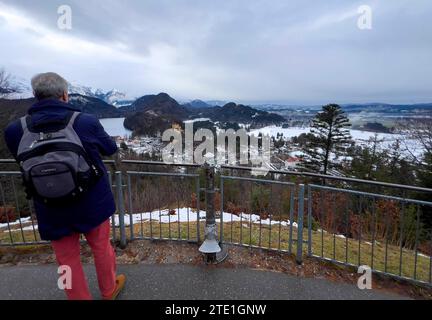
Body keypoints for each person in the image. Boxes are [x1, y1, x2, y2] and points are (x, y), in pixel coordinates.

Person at [4, 72, 125, 300]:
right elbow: (110, 149)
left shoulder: (15, 130)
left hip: (49, 203)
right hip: (92, 201)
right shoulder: (85, 121)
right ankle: (109, 290)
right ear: (65, 95)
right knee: (101, 248)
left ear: (35, 96)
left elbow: (21, 159)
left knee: (66, 259)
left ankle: (77, 297)